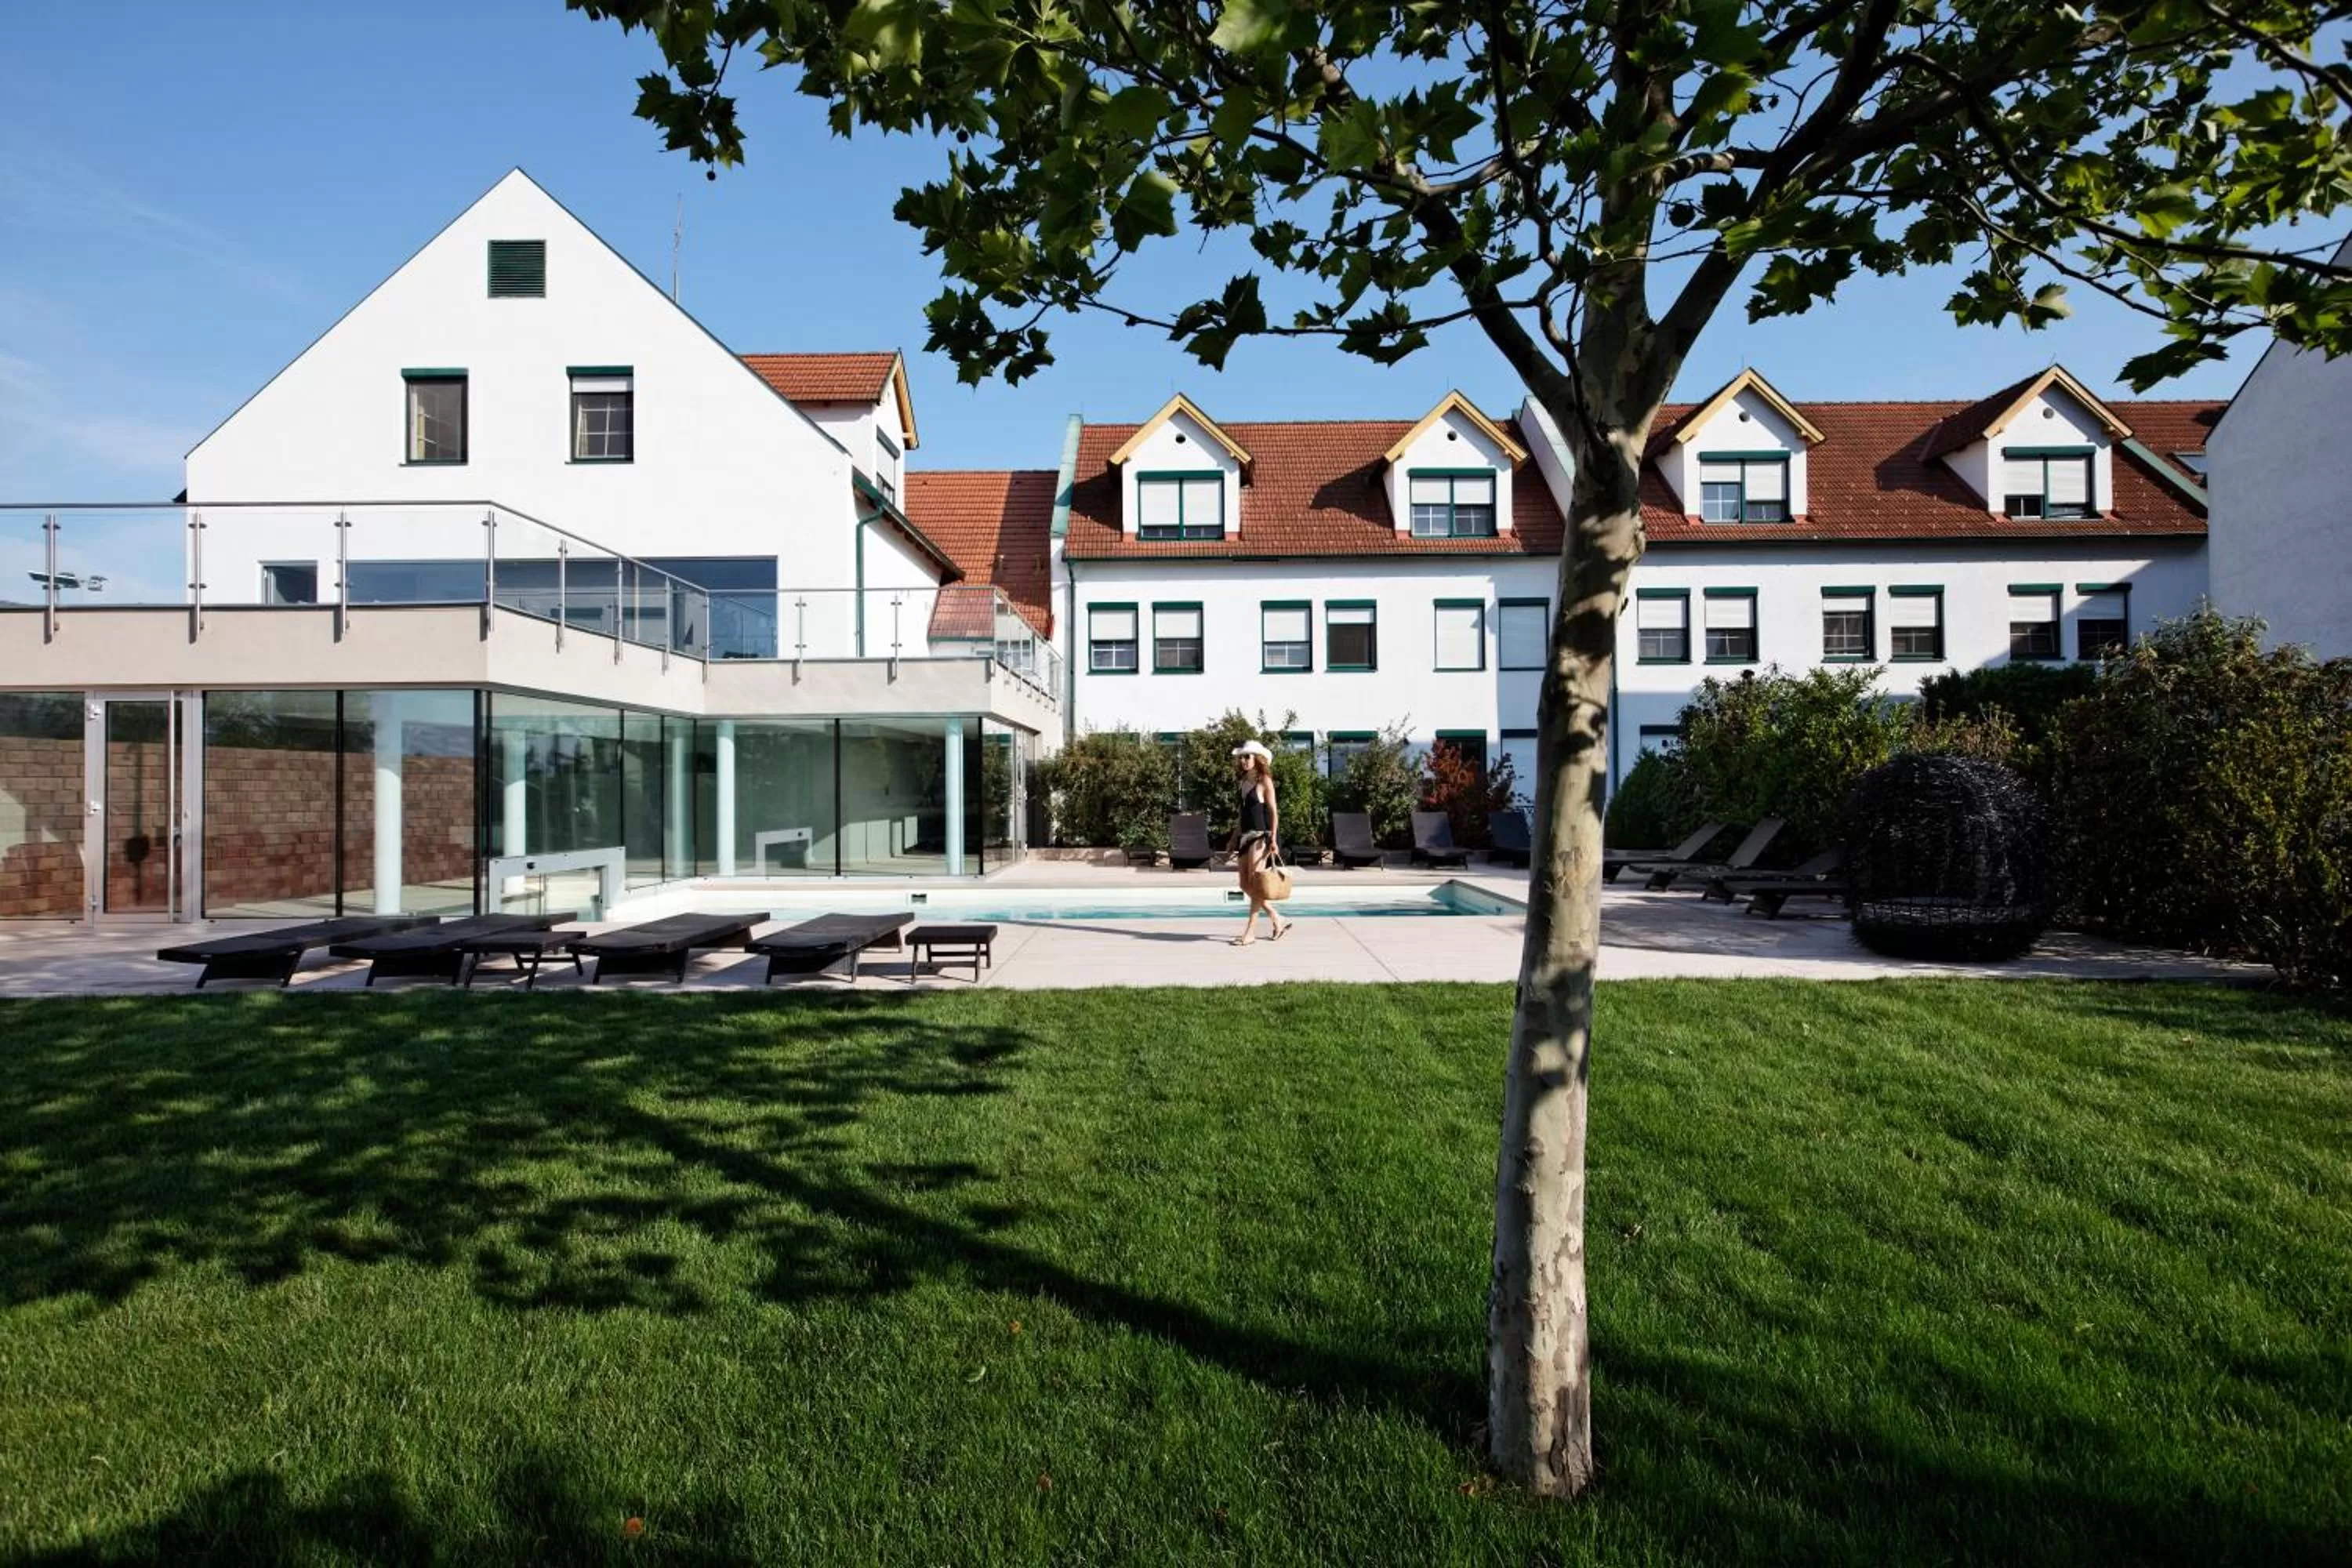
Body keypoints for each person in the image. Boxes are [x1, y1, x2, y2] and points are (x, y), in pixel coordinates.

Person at [1226, 739, 1293, 946]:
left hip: (1261, 837)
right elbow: (1242, 815)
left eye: (1247, 756)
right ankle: (1277, 917)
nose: (1244, 760)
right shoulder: (1243, 782)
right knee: (1244, 884)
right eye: (1242, 757)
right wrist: (1233, 838)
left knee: (1255, 883)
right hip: (1246, 837)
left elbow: (1273, 812)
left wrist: (1273, 838)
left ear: (1257, 758)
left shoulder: (1265, 781)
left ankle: (1250, 933)